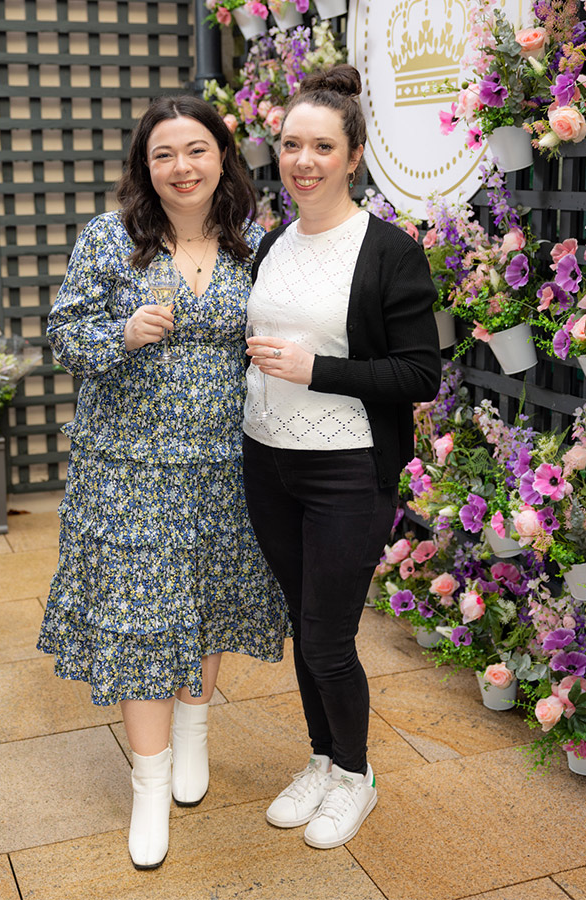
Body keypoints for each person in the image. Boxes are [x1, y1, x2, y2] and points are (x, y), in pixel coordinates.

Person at [37, 95, 290, 870]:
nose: (182, 168)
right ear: (145, 168)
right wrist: (121, 331)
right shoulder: (111, 240)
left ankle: (194, 732)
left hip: (226, 461)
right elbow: (62, 332)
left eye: (196, 151)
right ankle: (149, 785)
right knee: (143, 620)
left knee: (209, 598)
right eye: (164, 155)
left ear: (223, 157)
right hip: (130, 468)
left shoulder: (253, 245)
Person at [242, 64, 441, 850]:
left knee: (328, 636)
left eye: (322, 146)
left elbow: (420, 372)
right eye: (292, 144)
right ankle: (322, 760)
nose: (304, 160)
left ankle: (356, 779)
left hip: (347, 470)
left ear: (354, 155)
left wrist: (315, 369)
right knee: (304, 623)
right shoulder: (272, 242)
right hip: (270, 463)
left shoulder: (388, 251)